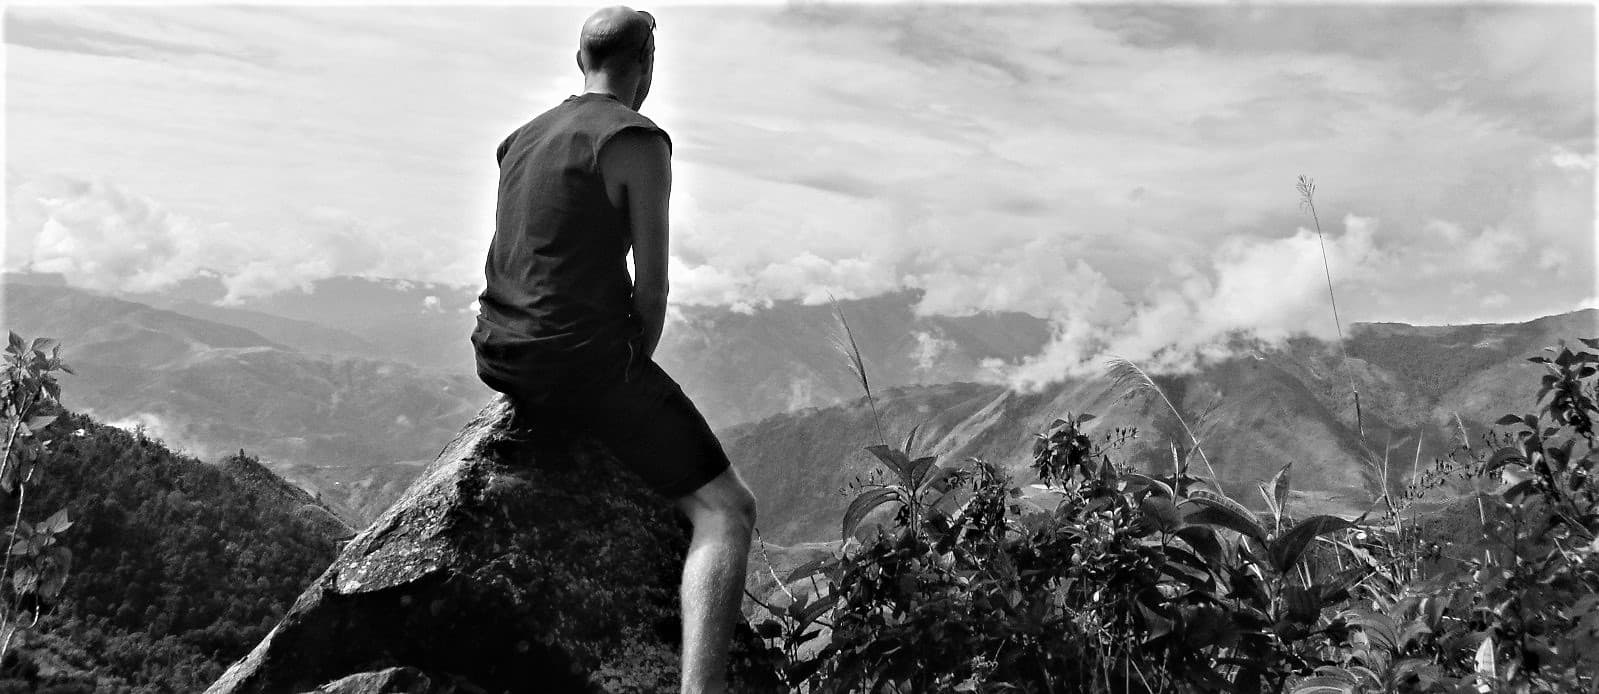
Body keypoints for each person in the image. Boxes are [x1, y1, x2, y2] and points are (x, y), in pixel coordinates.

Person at [470, 7, 757, 693]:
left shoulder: (519, 138)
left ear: (579, 61)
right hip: (576, 361)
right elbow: (650, 290)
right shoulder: (635, 139)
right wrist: (627, 379)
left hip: (497, 352)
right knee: (727, 511)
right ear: (646, 66)